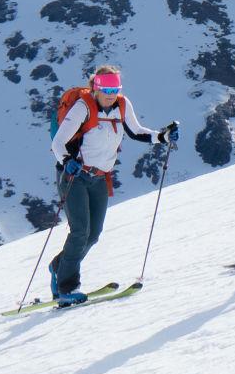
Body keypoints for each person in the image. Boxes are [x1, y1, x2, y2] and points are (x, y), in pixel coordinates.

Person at [47, 64, 178, 304]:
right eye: (105, 88)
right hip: (74, 176)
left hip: (100, 177)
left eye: (115, 88)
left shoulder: (122, 104)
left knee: (93, 234)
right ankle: (66, 288)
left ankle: (58, 266)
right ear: (95, 87)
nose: (110, 93)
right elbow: (58, 143)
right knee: (80, 231)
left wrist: (162, 136)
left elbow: (136, 131)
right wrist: (67, 161)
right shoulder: (82, 108)